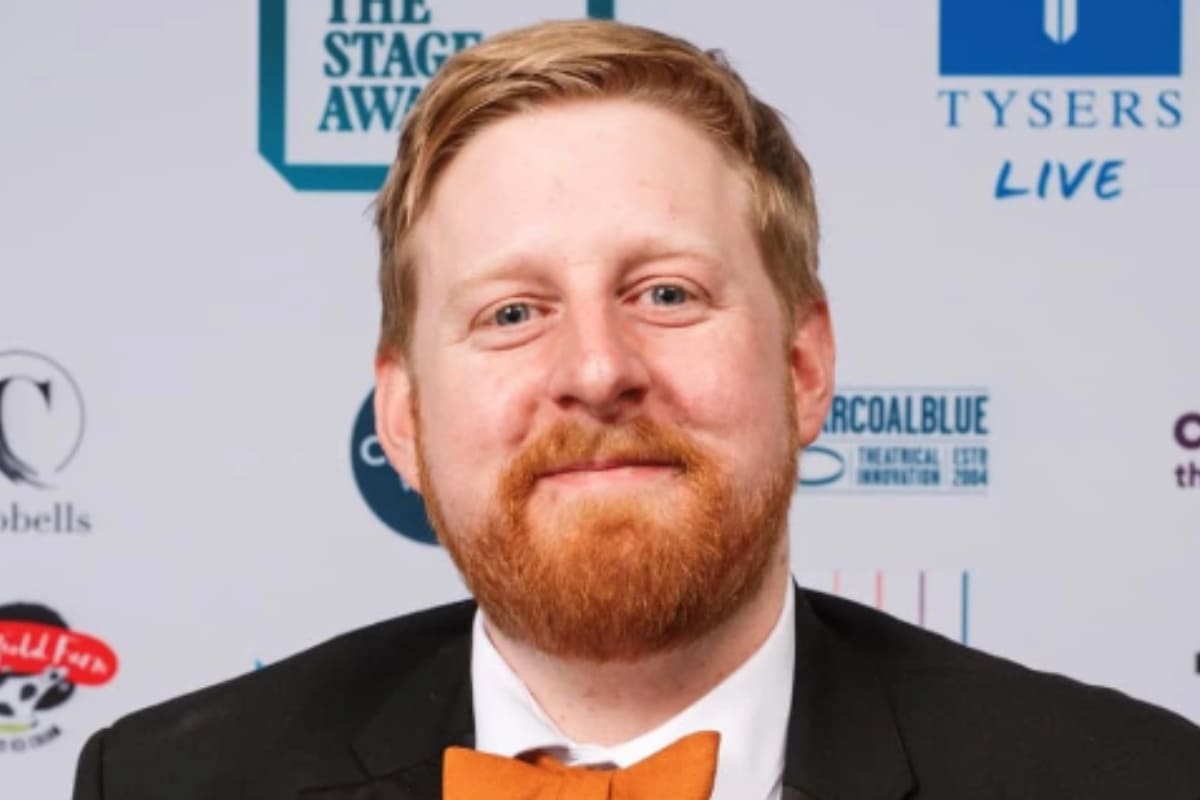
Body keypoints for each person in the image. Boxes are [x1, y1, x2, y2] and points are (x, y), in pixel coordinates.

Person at [74, 19, 1200, 800]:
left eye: (666, 293)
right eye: (514, 312)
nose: (597, 368)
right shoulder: (169, 781)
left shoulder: (1132, 781)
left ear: (804, 365)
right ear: (402, 419)